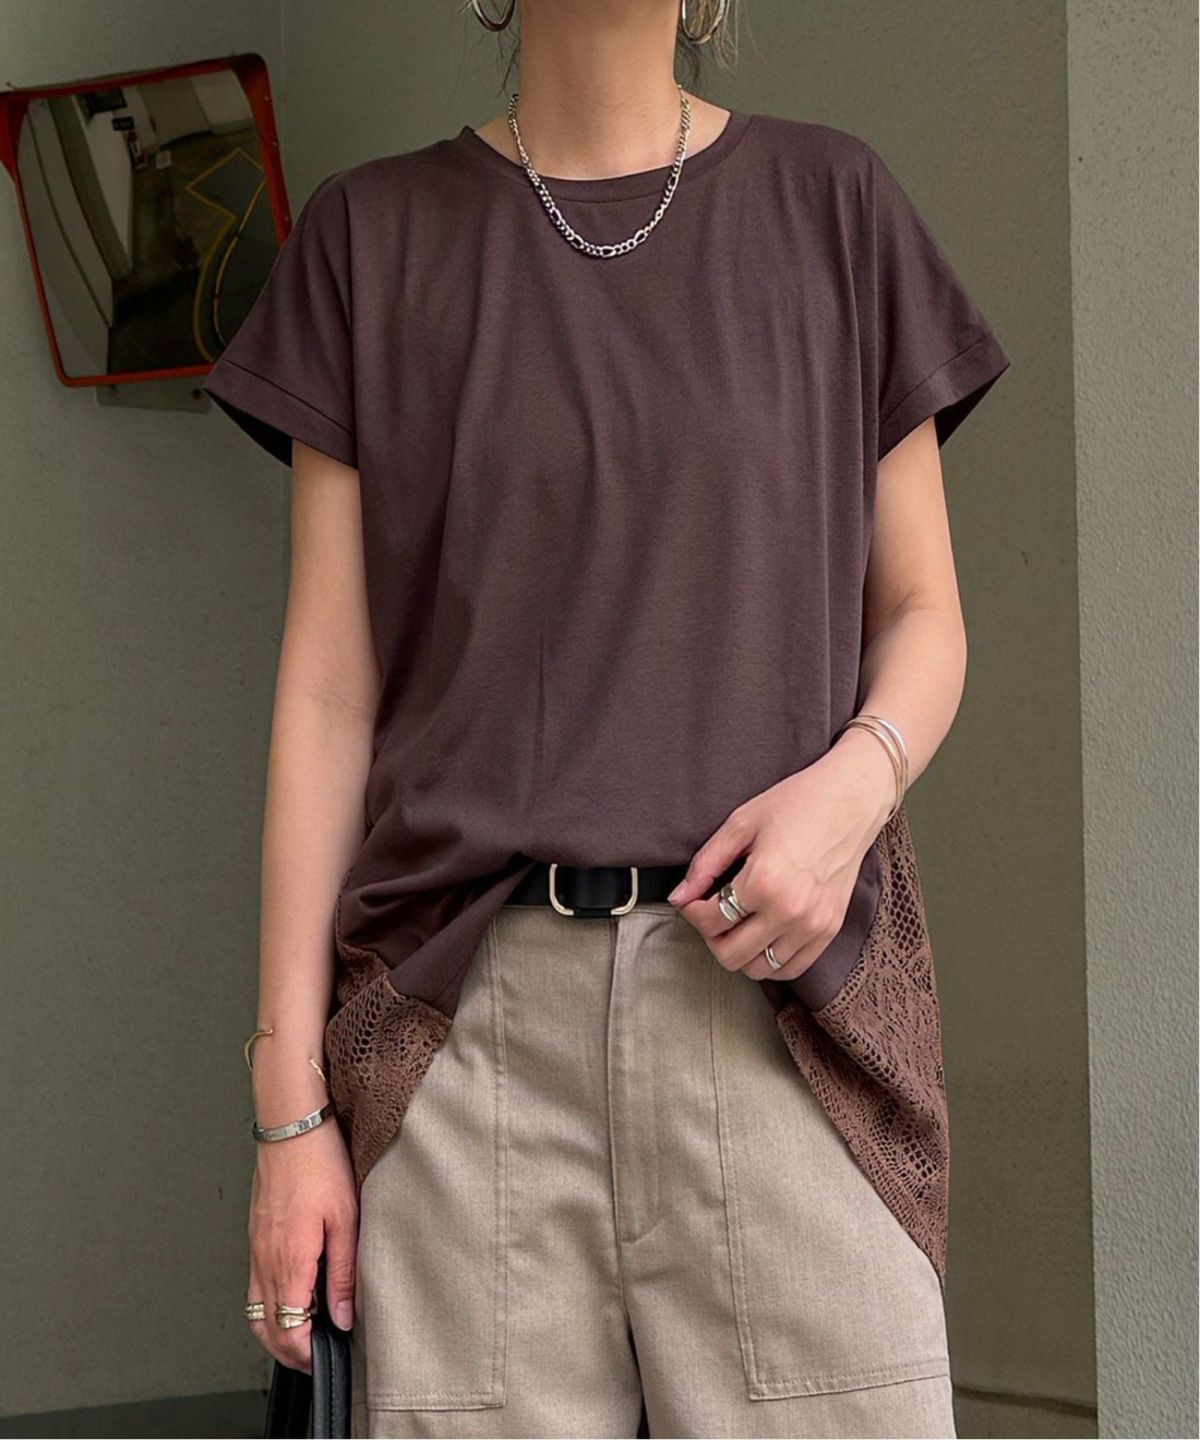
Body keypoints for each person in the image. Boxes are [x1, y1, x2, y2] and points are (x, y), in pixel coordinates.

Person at [202, 1, 1012, 1435]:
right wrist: (289, 1104)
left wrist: (850, 791)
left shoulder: (835, 206)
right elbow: (328, 694)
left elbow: (925, 618)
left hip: (783, 1009)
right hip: (465, 1043)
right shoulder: (369, 240)